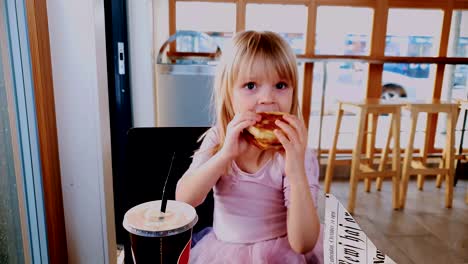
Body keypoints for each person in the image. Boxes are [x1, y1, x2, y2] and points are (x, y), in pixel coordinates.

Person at [176, 30, 323, 264]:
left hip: (283, 253)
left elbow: (303, 243)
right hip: (224, 253)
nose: (267, 98)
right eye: (251, 85)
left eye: (281, 85)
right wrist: (225, 155)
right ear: (229, 93)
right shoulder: (219, 138)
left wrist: (295, 169)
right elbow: (184, 199)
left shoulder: (296, 151)